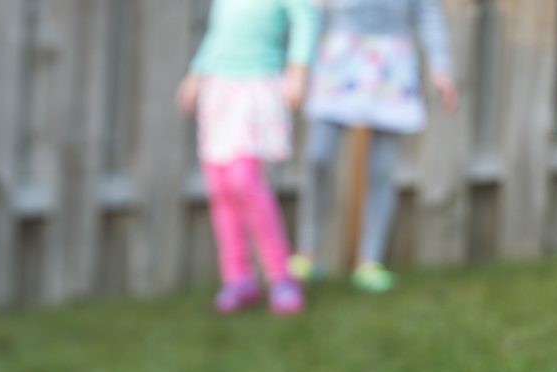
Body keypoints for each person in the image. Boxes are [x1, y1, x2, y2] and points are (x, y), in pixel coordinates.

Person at [291, 0, 458, 292]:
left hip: (391, 59)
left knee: (382, 169)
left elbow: (427, 11)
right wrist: (299, 65)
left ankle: (370, 260)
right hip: (340, 56)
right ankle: (308, 250)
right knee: (318, 156)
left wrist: (440, 65)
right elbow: (309, 11)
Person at [176, 0, 321, 315]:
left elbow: (306, 15)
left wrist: (298, 70)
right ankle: (238, 278)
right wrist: (195, 75)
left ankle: (281, 275)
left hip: (256, 88)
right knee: (221, 188)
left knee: (245, 180)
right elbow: (217, 35)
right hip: (219, 89)